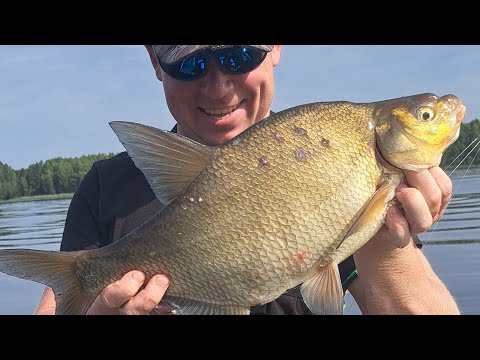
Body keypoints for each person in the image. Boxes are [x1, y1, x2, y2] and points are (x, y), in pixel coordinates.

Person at [35, 45, 460, 315]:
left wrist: (385, 239)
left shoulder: (330, 158)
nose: (218, 89)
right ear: (154, 60)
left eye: (239, 56)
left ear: (274, 47)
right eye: (190, 63)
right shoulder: (106, 188)